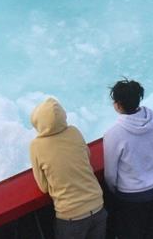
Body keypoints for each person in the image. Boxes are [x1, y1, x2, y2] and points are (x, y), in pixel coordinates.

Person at [29, 97, 107, 239]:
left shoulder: (36, 146)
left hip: (71, 216)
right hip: (98, 206)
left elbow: (44, 187)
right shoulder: (74, 132)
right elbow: (87, 156)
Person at [102, 79, 153, 238]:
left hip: (131, 196)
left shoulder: (113, 134)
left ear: (118, 104)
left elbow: (110, 174)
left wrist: (117, 189)